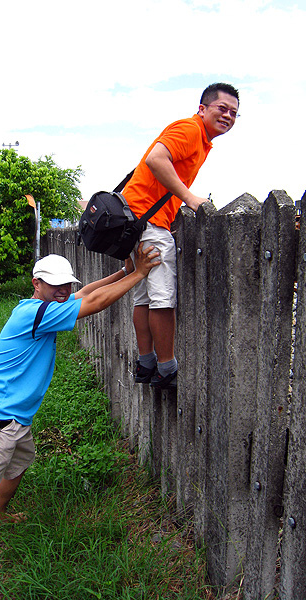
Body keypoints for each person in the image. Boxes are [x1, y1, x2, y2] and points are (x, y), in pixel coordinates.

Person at [0, 244, 160, 600]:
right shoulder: (38, 313)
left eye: (66, 285)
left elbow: (87, 292)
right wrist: (139, 275)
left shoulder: (41, 307)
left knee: (21, 460)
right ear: (35, 284)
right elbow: (95, 303)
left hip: (13, 420)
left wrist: (122, 272)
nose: (63, 291)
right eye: (53, 285)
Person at [123, 82, 240, 390]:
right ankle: (166, 368)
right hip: (148, 221)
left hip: (136, 220)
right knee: (162, 299)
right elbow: (156, 160)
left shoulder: (201, 140)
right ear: (202, 108)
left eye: (234, 113)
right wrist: (190, 199)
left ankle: (146, 363)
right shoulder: (189, 129)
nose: (228, 116)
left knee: (144, 297)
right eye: (222, 108)